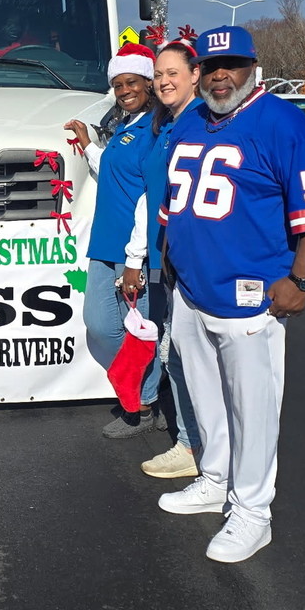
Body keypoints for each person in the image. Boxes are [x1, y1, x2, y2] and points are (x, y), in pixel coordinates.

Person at [157, 26, 305, 563]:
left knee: (253, 408)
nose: (221, 75)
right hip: (191, 286)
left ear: (252, 67)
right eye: (212, 65)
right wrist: (170, 248)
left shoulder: (284, 122)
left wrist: (301, 280)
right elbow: (177, 193)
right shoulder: (193, 118)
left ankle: (253, 511)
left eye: (232, 64)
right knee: (205, 395)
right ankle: (215, 477)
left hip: (251, 294)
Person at [64, 42, 163, 438]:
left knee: (137, 328)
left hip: (130, 250)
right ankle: (140, 390)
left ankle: (144, 403)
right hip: (105, 245)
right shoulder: (125, 127)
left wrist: (136, 257)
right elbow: (113, 172)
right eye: (118, 84)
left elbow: (147, 198)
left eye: (132, 82)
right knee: (101, 325)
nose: (124, 90)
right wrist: (88, 143)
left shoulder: (156, 129)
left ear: (148, 84)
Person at [124, 40, 204, 478]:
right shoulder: (168, 123)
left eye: (173, 72)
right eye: (159, 74)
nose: (164, 81)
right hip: (168, 256)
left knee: (187, 355)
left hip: (190, 258)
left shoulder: (196, 123)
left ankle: (194, 448)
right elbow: (152, 193)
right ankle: (194, 443)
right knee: (178, 352)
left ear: (195, 75)